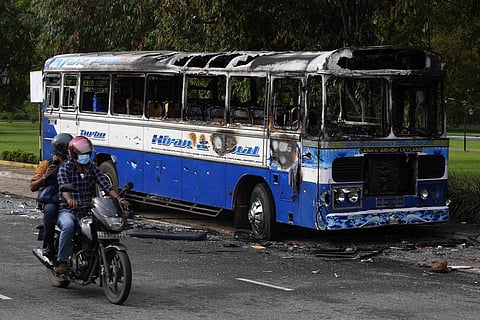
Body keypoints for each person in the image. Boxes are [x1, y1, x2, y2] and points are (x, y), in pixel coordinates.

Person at [56, 136, 129, 273]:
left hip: (88, 210)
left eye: (88, 154)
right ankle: (62, 261)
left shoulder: (92, 168)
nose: (86, 157)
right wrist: (69, 200)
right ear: (73, 154)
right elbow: (63, 187)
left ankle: (94, 257)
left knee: (102, 228)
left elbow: (106, 186)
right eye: (82, 154)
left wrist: (119, 199)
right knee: (68, 225)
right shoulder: (65, 168)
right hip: (68, 210)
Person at [30, 133, 73, 258]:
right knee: (50, 210)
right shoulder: (47, 164)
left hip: (72, 199)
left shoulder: (75, 165)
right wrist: (45, 176)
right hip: (52, 200)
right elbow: (33, 186)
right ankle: (48, 244)